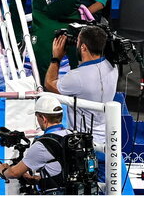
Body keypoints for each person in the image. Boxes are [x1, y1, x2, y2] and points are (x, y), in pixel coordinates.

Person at [45, 25, 117, 160]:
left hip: (83, 143)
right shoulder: (113, 67)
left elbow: (49, 83)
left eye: (77, 42)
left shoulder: (76, 77)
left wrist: (56, 58)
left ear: (83, 47)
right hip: (108, 138)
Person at [0, 95, 69, 188]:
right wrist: (40, 180)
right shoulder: (72, 136)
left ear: (43, 118)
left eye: (37, 116)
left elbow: (14, 173)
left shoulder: (42, 145)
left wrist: (3, 171)